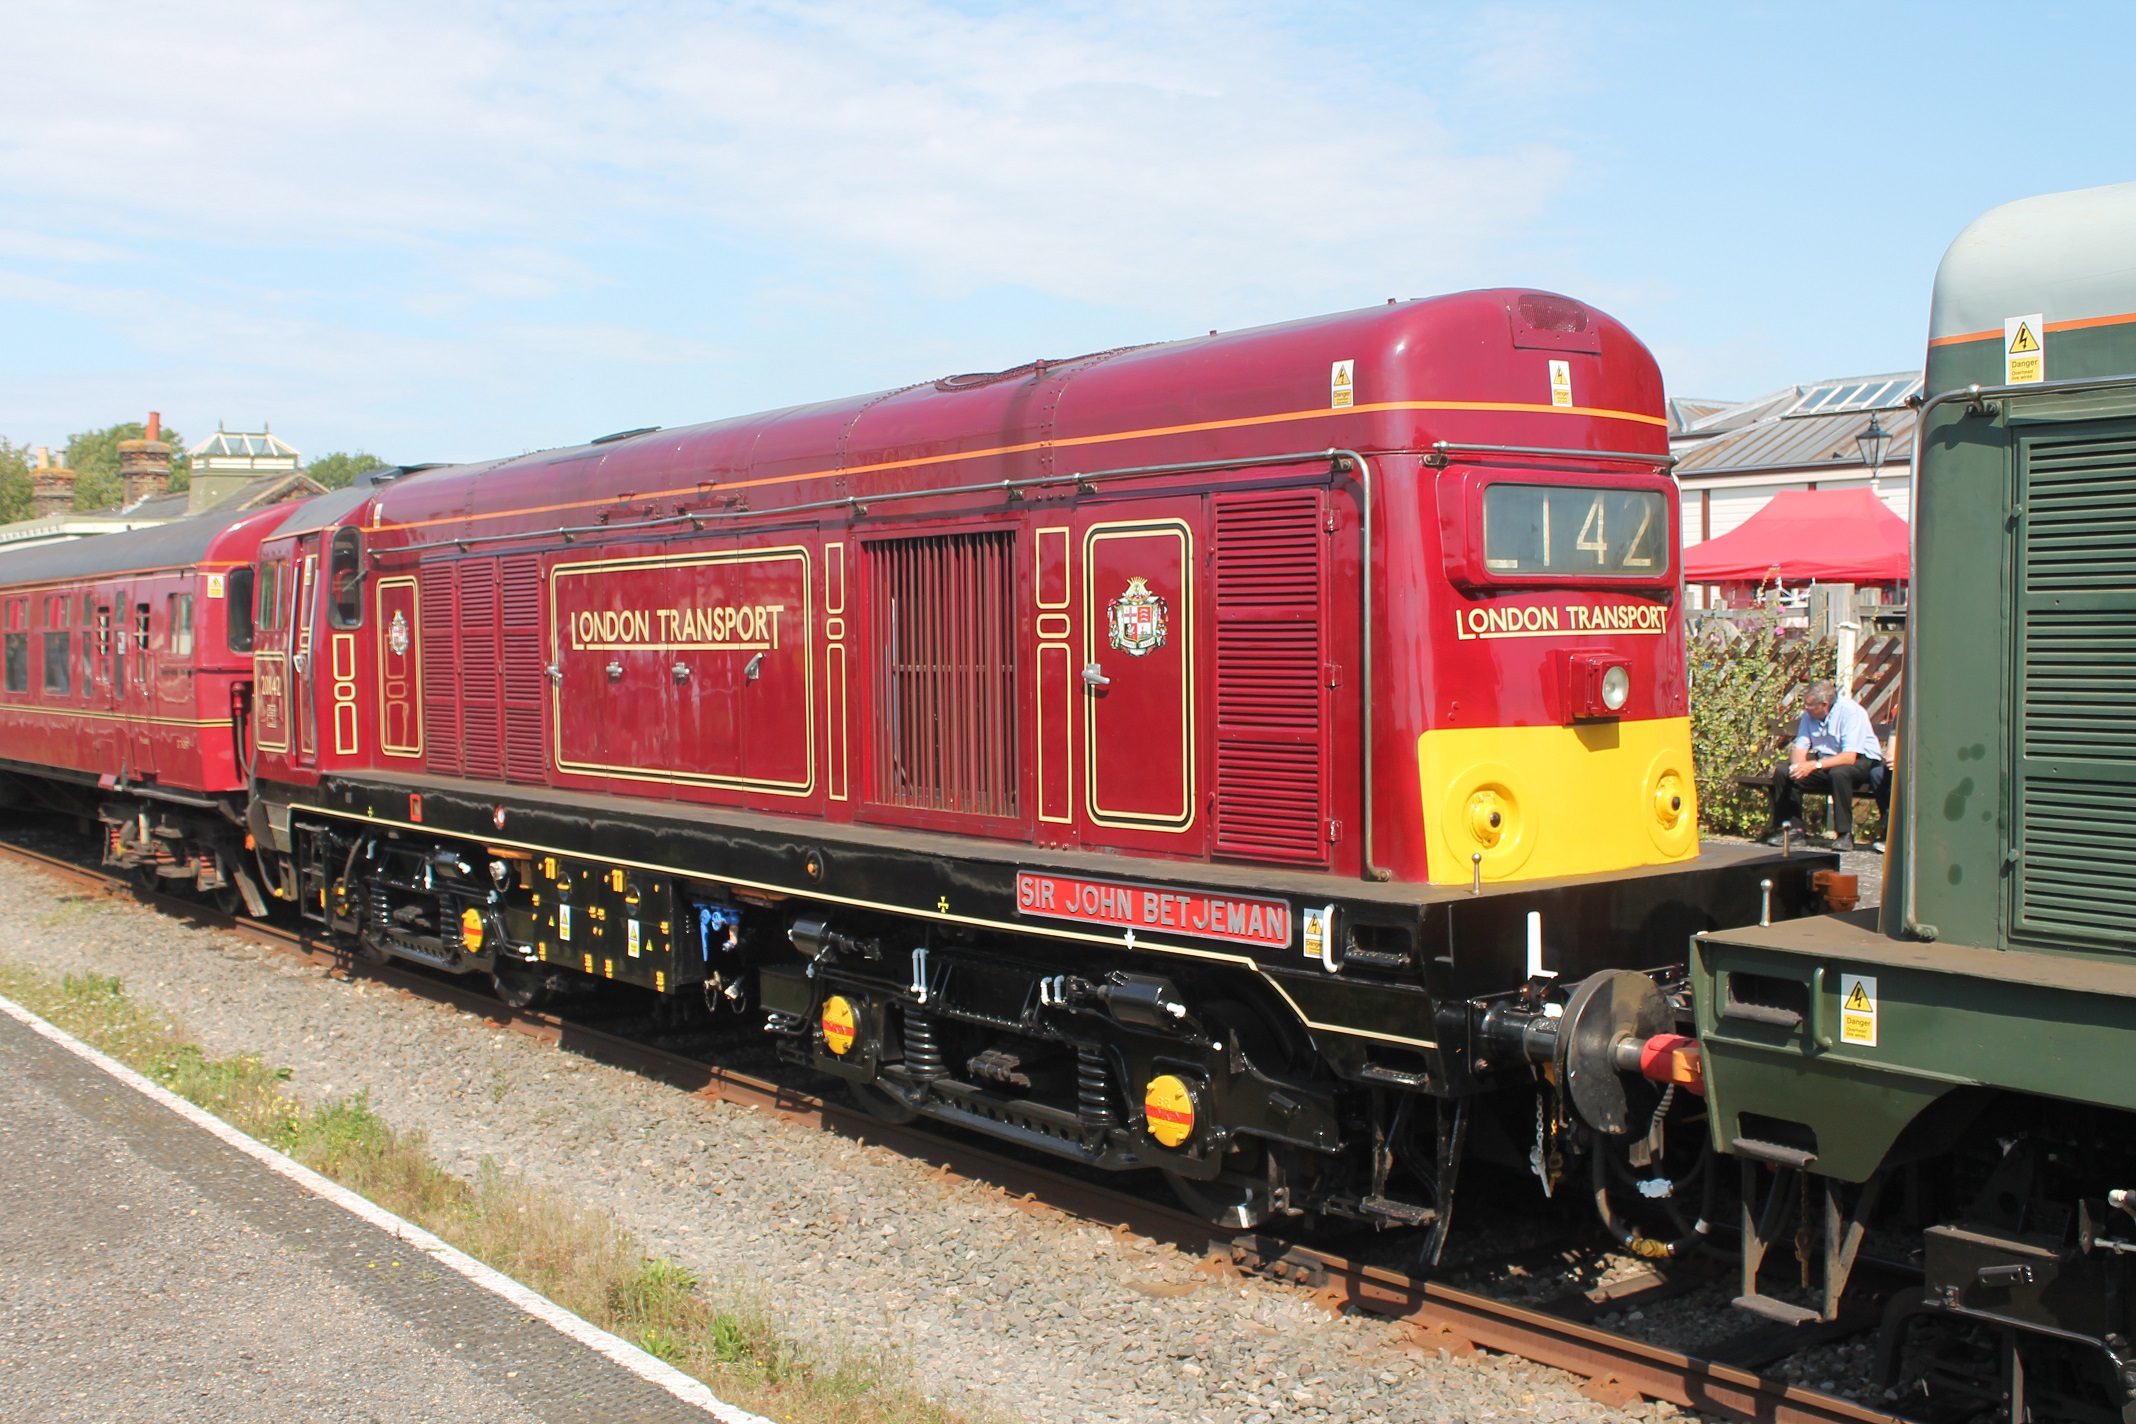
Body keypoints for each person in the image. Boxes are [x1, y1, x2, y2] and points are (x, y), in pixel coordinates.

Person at [1764, 679, 1885, 845]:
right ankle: (1793, 829)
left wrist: (1813, 765)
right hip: (1826, 761)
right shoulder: (1809, 716)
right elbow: (1800, 748)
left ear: (1824, 704)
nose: (1804, 708)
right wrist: (1799, 767)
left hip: (1861, 761)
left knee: (1839, 773)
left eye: (1808, 705)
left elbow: (1849, 756)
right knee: (1785, 772)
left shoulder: (1850, 712)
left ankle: (1844, 835)